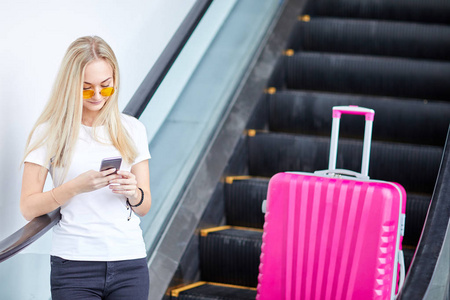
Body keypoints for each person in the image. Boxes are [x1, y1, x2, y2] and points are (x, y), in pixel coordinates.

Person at [20, 36, 151, 300]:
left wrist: (133, 192)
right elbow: (28, 207)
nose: (97, 96)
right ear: (70, 86)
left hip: (130, 260)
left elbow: (144, 206)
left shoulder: (132, 129)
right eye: (86, 88)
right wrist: (74, 188)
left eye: (106, 86)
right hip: (74, 265)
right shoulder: (48, 132)